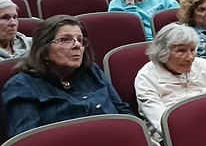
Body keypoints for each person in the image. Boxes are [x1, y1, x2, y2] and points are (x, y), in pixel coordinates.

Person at [3, 15, 131, 138]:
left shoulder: (91, 71)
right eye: (65, 40)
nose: (77, 45)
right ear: (44, 51)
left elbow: (123, 111)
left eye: (80, 40)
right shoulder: (21, 86)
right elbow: (27, 144)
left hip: (116, 145)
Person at [134, 23, 206, 139]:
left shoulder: (204, 66)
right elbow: (162, 125)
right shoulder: (146, 77)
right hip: (172, 139)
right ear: (162, 52)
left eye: (192, 50)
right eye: (181, 51)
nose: (190, 57)